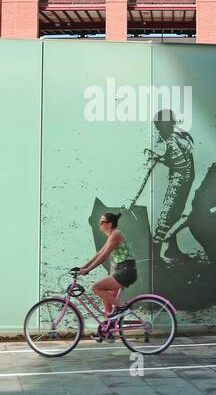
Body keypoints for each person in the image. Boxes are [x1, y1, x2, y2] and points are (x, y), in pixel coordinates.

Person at [79, 211, 137, 341]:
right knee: (107, 300)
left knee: (96, 288)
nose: (99, 224)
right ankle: (108, 332)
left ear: (109, 224)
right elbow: (99, 253)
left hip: (126, 271)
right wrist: (82, 267)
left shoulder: (116, 234)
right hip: (121, 271)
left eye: (102, 222)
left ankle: (123, 307)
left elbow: (104, 256)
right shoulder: (111, 236)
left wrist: (87, 269)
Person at [146, 109, 195, 262]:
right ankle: (156, 253)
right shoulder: (170, 139)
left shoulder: (173, 138)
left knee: (173, 215)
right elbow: (181, 163)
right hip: (180, 180)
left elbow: (182, 161)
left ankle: (169, 250)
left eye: (162, 125)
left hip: (182, 181)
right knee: (168, 215)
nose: (159, 128)